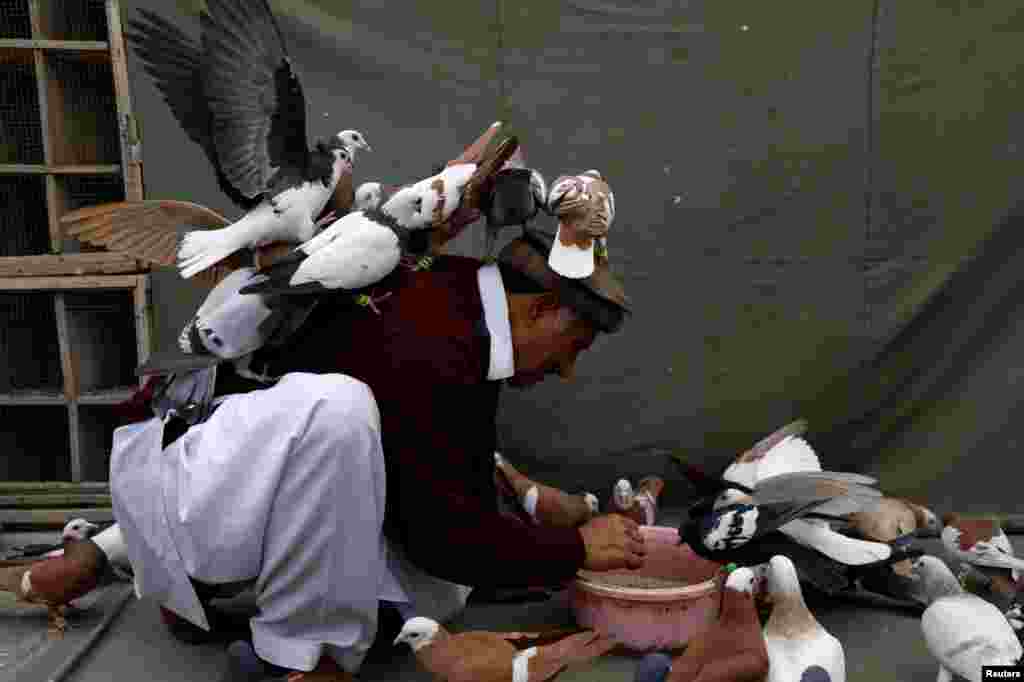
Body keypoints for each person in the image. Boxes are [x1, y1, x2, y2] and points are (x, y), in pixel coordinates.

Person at [27, 230, 642, 682]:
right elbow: (448, 536)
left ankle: (174, 578)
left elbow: (440, 494)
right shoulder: (437, 346)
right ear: (537, 308)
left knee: (441, 599)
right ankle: (299, 657)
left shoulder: (453, 289)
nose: (566, 369)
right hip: (185, 473)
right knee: (338, 411)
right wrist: (578, 548)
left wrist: (532, 526)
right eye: (575, 345)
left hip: (229, 472)